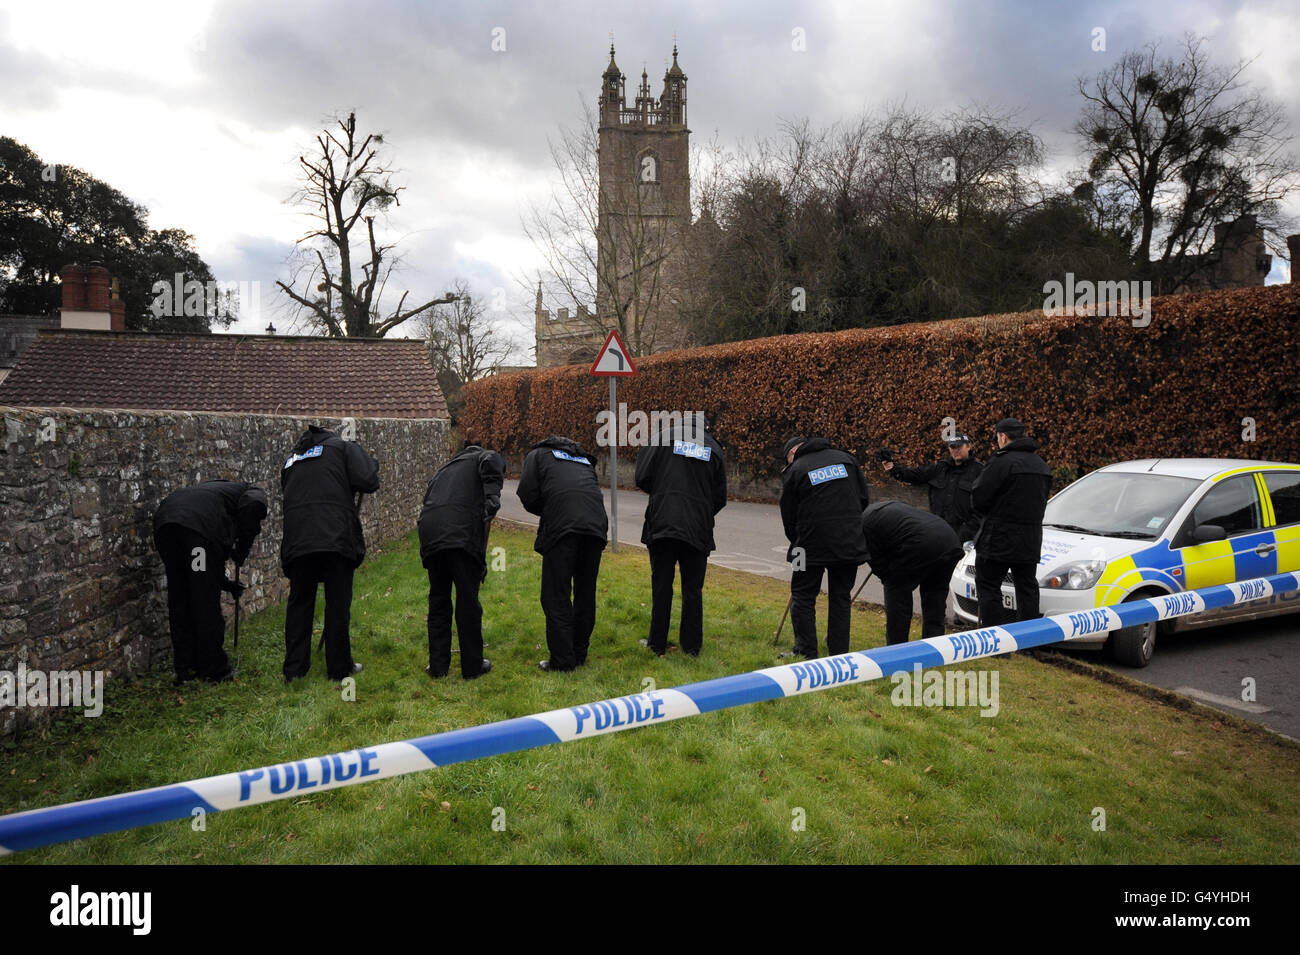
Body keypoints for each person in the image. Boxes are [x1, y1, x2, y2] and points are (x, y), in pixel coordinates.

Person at [280, 424, 380, 683]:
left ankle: (294, 670)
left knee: (300, 603)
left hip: (298, 537)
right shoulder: (341, 447)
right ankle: (339, 668)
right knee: (337, 602)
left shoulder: (293, 458)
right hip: (334, 536)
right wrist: (369, 460)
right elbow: (369, 480)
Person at [153, 480, 268, 683]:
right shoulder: (251, 491)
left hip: (166, 527)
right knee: (204, 599)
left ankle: (185, 667)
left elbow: (204, 570)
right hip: (195, 531)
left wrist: (225, 583)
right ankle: (214, 669)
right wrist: (243, 545)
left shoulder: (216, 492)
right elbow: (253, 506)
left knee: (180, 596)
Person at [634, 414, 727, 657]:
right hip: (697, 528)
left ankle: (657, 643)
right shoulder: (713, 447)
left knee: (662, 585)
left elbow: (642, 477)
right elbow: (720, 496)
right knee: (693, 589)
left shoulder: (662, 439)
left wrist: (662, 494)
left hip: (663, 524)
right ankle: (692, 647)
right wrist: (702, 510)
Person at [517, 435, 608, 672]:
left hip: (563, 530)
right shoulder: (583, 459)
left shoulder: (537, 456)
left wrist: (550, 510)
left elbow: (527, 494)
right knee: (585, 593)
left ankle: (562, 661)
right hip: (595, 528)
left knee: (556, 595)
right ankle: (579, 654)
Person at [416, 441, 505, 680]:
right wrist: (492, 496)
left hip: (431, 533)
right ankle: (472, 667)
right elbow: (492, 460)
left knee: (439, 601)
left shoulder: (445, 469)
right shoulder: (482, 457)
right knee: (467, 602)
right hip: (459, 535)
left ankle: (438, 667)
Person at [779, 435, 870, 659]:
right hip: (848, 545)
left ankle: (806, 652)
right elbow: (863, 499)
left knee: (801, 596)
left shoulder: (796, 468)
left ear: (793, 453)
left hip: (805, 547)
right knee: (841, 598)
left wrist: (796, 539)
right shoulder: (847, 460)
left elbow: (788, 513)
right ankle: (839, 654)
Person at [971, 418, 1052, 626]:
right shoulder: (1041, 465)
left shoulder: (1001, 462)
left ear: (1003, 437)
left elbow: (979, 498)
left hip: (998, 537)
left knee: (988, 586)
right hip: (1030, 539)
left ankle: (995, 639)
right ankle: (1028, 643)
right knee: (1027, 589)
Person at [861, 501, 964, 645]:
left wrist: (888, 576)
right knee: (935, 596)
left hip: (922, 543)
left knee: (896, 591)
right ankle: (935, 647)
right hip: (949, 540)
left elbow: (879, 565)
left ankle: (897, 646)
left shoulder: (865, 524)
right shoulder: (879, 510)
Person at [880, 433, 983, 542]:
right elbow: (915, 475)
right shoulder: (940, 468)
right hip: (938, 531)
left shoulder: (980, 472)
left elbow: (984, 507)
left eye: (959, 446)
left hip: (966, 538)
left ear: (969, 446)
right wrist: (893, 468)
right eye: (952, 447)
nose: (955, 450)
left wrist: (967, 532)